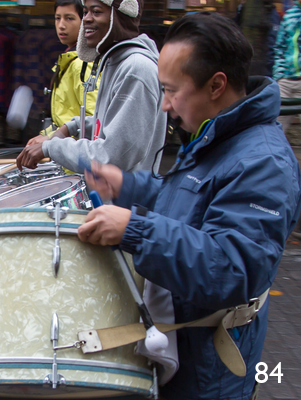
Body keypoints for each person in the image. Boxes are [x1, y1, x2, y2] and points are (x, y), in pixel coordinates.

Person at [78, 12, 301, 400]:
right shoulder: (217, 131)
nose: (164, 105)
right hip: (183, 344)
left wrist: (133, 228)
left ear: (216, 85)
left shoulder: (264, 163)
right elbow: (186, 197)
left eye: (171, 90)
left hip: (210, 369)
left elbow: (231, 269)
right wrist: (127, 185)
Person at [16, 0, 166, 174]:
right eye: (85, 11)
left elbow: (111, 157)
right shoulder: (116, 62)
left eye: (96, 12)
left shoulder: (136, 69)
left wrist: (51, 147)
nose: (86, 19)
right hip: (107, 198)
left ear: (120, 16)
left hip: (125, 201)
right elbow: (107, 121)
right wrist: (69, 128)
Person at [38, 0, 99, 138]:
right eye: (57, 18)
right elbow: (62, 118)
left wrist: (50, 139)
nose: (61, 25)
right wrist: (46, 136)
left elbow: (93, 122)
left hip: (74, 152)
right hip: (62, 147)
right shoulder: (68, 60)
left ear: (85, 20)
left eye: (69, 18)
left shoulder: (82, 65)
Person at [273, 0, 301, 133]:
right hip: (286, 80)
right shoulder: (289, 16)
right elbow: (280, 47)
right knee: (277, 129)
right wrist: (279, 76)